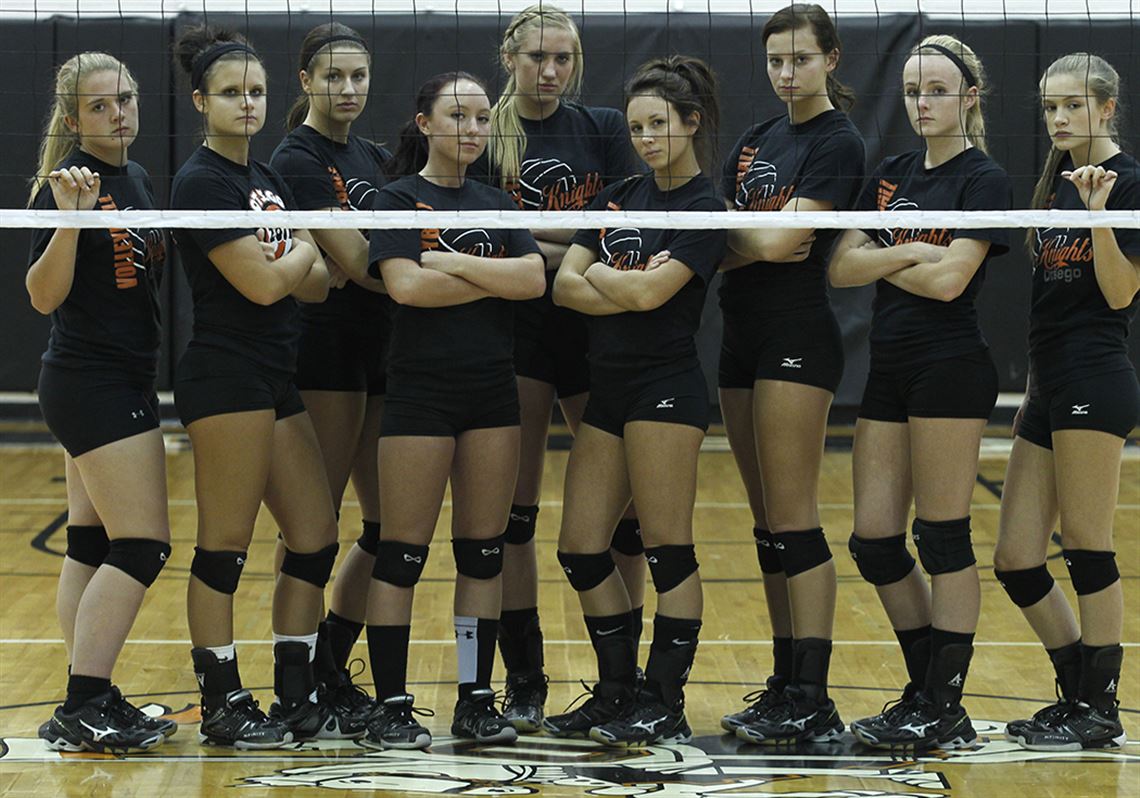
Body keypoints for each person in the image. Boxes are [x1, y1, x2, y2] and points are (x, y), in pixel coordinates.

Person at [170, 25, 362, 747]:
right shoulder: (199, 180)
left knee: (313, 538)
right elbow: (262, 283)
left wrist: (296, 261)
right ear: (201, 101)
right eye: (230, 93)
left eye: (255, 91)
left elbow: (311, 289)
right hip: (225, 378)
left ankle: (295, 688)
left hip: (275, 376)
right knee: (224, 547)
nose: (246, 103)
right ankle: (222, 700)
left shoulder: (267, 180)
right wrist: (305, 246)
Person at [828, 34, 1011, 751]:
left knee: (941, 537)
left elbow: (950, 282)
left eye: (936, 90)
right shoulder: (892, 173)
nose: (922, 103)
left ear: (969, 95)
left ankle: (943, 701)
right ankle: (923, 687)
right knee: (874, 541)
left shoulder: (982, 178)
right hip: (890, 366)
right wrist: (911, 251)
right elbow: (842, 268)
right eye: (912, 91)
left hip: (951, 367)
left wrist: (884, 254)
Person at [472, 3, 644, 733]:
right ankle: (527, 678)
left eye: (563, 60)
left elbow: (623, 222)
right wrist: (564, 246)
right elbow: (474, 232)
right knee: (515, 518)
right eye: (537, 58)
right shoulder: (482, 132)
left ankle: (624, 674)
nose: (550, 72)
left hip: (592, 329)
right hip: (513, 337)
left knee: (626, 516)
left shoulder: (602, 126)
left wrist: (538, 249)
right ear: (508, 57)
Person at [361, 71, 546, 751]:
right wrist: (480, 272)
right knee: (401, 556)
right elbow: (406, 288)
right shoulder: (395, 200)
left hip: (491, 395)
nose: (471, 129)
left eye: (479, 119)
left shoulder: (497, 201)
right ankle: (392, 704)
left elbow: (531, 280)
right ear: (424, 123)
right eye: (457, 116)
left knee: (483, 556)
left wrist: (452, 260)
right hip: (419, 396)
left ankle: (475, 695)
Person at [547, 55, 727, 747]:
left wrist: (606, 276)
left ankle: (663, 697)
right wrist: (630, 279)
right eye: (638, 127)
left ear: (691, 123)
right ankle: (617, 689)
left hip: (666, 390)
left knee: (667, 550)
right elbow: (564, 286)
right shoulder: (618, 196)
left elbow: (653, 296)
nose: (648, 137)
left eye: (660, 124)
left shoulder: (705, 208)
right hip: (610, 387)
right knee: (580, 549)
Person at [715, 3, 865, 745]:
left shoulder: (837, 138)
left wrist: (752, 238)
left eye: (801, 59)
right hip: (740, 337)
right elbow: (728, 240)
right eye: (776, 60)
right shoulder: (754, 138)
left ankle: (813, 692)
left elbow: (786, 240)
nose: (786, 73)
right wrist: (756, 240)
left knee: (796, 518)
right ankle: (782, 682)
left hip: (797, 338)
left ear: (830, 59)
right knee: (766, 525)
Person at [27, 51, 173, 754]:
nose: (119, 115)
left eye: (127, 100)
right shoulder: (63, 188)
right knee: (143, 544)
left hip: (122, 376)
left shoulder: (138, 178)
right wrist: (70, 219)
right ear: (72, 117)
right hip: (92, 383)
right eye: (101, 106)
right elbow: (42, 296)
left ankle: (89, 689)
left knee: (88, 542)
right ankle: (83, 703)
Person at [994, 53, 1137, 751]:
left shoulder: (1128, 182)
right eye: (1050, 107)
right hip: (1048, 386)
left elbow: (1119, 294)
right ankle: (1075, 689)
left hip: (1095, 380)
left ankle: (1099, 706)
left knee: (1086, 544)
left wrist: (1100, 213)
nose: (1059, 119)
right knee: (1017, 558)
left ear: (1106, 108)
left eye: (1073, 106)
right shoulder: (1055, 183)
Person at [270, 21, 391, 721]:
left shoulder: (373, 155)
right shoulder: (297, 159)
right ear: (307, 82)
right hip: (324, 353)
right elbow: (360, 263)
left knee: (385, 529)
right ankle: (297, 677)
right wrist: (394, 261)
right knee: (316, 529)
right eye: (334, 77)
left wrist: (391, 258)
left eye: (359, 77)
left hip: (383, 349)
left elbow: (383, 253)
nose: (348, 89)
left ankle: (329, 664)